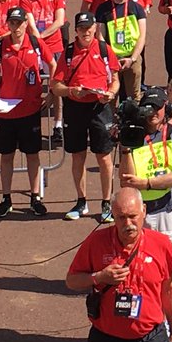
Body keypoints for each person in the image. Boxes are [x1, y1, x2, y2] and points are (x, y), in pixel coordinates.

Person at [65, 188, 172, 342]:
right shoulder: (96, 242)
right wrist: (99, 276)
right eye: (121, 217)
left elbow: (169, 289)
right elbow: (71, 281)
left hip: (151, 340)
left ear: (144, 212)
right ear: (112, 215)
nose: (128, 223)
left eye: (133, 216)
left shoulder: (161, 244)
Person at [0, 6, 57, 219]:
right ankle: (6, 198)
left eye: (19, 23)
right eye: (12, 23)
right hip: (6, 111)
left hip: (30, 109)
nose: (16, 27)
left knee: (32, 155)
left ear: (26, 23)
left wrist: (52, 91)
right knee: (7, 156)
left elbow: (52, 64)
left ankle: (35, 197)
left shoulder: (35, 43)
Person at [51, 12, 121, 224]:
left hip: (100, 108)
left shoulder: (103, 49)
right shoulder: (69, 53)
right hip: (75, 108)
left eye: (89, 28)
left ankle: (106, 202)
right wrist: (72, 91)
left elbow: (115, 80)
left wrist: (111, 93)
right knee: (78, 156)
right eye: (81, 28)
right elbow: (56, 86)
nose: (86, 32)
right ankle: (81, 201)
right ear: (76, 31)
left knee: (104, 156)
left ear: (94, 28)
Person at [119, 92, 172, 249]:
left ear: (167, 108)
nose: (152, 112)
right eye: (148, 107)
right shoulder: (133, 134)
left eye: (157, 107)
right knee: (137, 260)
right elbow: (127, 180)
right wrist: (125, 148)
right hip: (136, 212)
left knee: (166, 263)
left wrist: (146, 183)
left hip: (163, 209)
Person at [96, 0, 148, 102]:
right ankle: (112, 121)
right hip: (112, 59)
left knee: (134, 96)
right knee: (111, 95)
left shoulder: (137, 8)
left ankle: (132, 120)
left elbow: (142, 36)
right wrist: (109, 59)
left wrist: (133, 58)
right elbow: (100, 36)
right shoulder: (103, 9)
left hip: (132, 57)